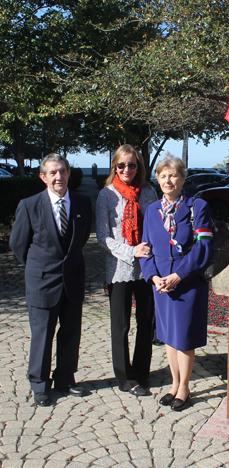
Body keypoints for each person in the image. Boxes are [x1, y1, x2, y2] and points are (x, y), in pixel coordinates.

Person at [10, 153, 92, 406]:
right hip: (42, 282)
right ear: (43, 177)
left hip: (73, 282)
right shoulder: (29, 205)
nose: (59, 177)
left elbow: (82, 238)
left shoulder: (82, 203)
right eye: (53, 173)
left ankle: (65, 379)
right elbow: (18, 244)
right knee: (42, 335)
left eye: (63, 171)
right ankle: (40, 385)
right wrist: (40, 268)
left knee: (70, 333)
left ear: (69, 173)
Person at [140, 157, 213, 411]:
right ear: (157, 179)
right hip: (161, 284)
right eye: (163, 176)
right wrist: (153, 277)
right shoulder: (151, 211)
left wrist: (178, 275)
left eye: (173, 176)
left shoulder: (198, 206)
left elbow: (204, 247)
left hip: (187, 282)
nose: (168, 181)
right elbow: (145, 248)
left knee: (184, 338)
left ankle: (184, 388)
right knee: (169, 337)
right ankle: (173, 384)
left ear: (183, 178)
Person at [96, 144, 157, 396]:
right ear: (115, 167)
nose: (127, 169)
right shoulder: (106, 195)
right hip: (118, 268)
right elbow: (102, 236)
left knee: (146, 322)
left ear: (138, 167)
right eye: (121, 165)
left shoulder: (149, 192)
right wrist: (132, 251)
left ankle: (141, 373)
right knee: (120, 325)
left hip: (146, 268)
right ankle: (124, 377)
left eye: (132, 165)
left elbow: (157, 227)